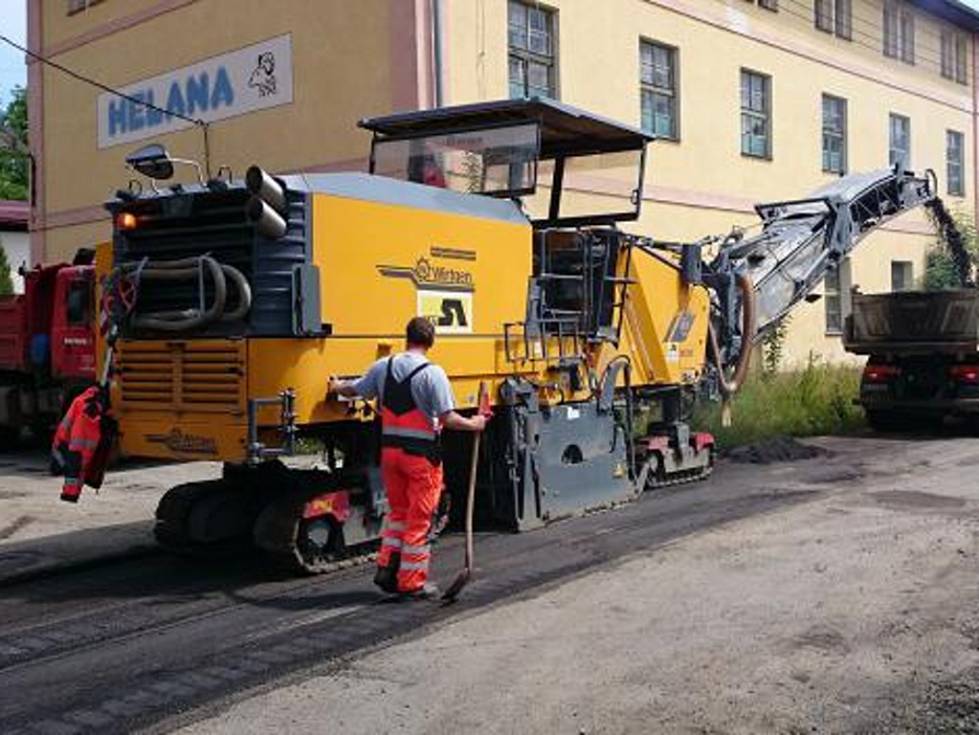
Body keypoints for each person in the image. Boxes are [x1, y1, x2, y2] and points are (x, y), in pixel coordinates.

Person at [328, 317, 487, 599]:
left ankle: (387, 571)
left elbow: (356, 389)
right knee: (420, 519)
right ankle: (411, 582)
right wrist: (474, 424)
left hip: (390, 455)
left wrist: (337, 385)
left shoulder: (384, 366)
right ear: (431, 341)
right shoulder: (432, 373)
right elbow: (447, 418)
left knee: (398, 514)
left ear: (406, 338)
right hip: (421, 458)